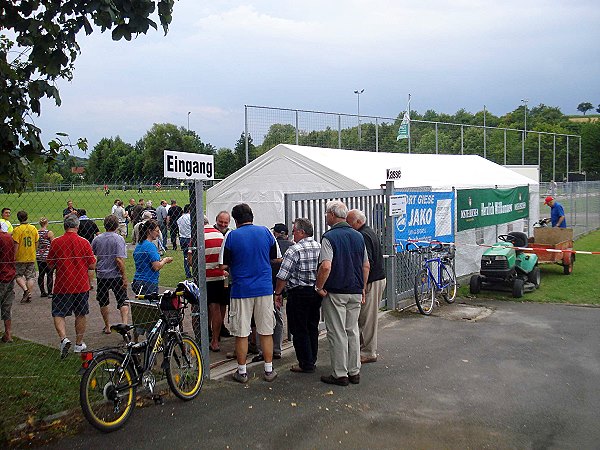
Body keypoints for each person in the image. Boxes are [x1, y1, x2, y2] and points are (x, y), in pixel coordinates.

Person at [219, 203, 281, 383]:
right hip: (264, 288)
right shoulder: (266, 232)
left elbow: (223, 264)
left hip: (241, 289)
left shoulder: (231, 235)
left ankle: (242, 371)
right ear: (251, 216)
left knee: (242, 332)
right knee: (266, 330)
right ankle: (269, 369)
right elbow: (277, 257)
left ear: (235, 220)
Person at [315, 200, 369, 386]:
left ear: (331, 215)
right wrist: (362, 288)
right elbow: (365, 265)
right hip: (355, 289)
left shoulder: (329, 237)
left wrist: (319, 287)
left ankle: (340, 374)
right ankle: (354, 371)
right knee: (352, 330)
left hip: (336, 291)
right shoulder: (358, 236)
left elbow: (326, 265)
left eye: (326, 214)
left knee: (337, 332)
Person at [274, 218, 321, 373]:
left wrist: (278, 293)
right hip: (314, 292)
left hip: (298, 293)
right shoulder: (318, 246)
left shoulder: (294, 250)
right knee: (312, 326)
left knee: (298, 328)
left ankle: (305, 363)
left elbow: (283, 275)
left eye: (294, 230)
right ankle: (312, 358)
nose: (292, 233)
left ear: (301, 232)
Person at [47, 214, 96, 358]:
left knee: (58, 312)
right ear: (77, 226)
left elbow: (50, 264)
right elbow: (92, 265)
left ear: (64, 226)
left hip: (62, 284)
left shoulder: (56, 242)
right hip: (81, 284)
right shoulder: (84, 242)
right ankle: (79, 343)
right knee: (80, 313)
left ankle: (63, 338)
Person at [346, 209, 386, 364]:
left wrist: (362, 286)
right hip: (376, 279)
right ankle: (366, 349)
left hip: (371, 281)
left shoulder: (362, 235)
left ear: (358, 222)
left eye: (349, 222)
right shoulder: (369, 232)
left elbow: (366, 263)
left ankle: (368, 352)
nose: (348, 225)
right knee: (366, 317)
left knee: (367, 319)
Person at [253, 223, 293, 362]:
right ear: (287, 234)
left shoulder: (269, 244)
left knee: (261, 318)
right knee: (278, 317)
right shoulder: (292, 246)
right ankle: (277, 348)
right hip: (281, 288)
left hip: (265, 285)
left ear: (275, 233)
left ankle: (261, 350)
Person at [92, 215, 129, 333]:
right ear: (116, 225)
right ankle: (124, 324)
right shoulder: (119, 239)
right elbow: (119, 259)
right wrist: (124, 276)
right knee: (122, 300)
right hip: (116, 275)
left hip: (102, 274)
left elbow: (94, 256)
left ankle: (107, 326)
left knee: (103, 301)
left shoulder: (97, 239)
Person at [199, 215, 228, 352]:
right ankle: (215, 340)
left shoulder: (199, 235)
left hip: (205, 277)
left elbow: (191, 259)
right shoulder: (221, 236)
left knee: (204, 308)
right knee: (217, 307)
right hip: (220, 277)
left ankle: (204, 336)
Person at [132, 220, 173, 296]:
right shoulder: (150, 246)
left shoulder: (139, 245)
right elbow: (156, 267)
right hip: (148, 282)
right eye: (157, 231)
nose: (158, 234)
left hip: (138, 280)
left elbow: (145, 261)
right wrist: (165, 260)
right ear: (150, 231)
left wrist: (160, 260)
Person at [12, 210, 39, 304]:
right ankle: (29, 293)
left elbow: (16, 244)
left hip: (20, 256)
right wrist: (34, 250)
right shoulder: (33, 228)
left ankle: (25, 290)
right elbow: (36, 242)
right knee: (30, 276)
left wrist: (14, 256)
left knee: (18, 275)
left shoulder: (17, 230)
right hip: (31, 255)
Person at [0, 222, 16, 343]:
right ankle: (8, 334)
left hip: (2, 275)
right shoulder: (9, 237)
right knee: (7, 305)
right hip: (10, 273)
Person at [36, 217, 54, 297]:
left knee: (41, 274)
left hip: (39, 254)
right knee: (49, 274)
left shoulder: (37, 232)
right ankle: (50, 292)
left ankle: (42, 292)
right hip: (48, 255)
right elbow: (53, 243)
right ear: (47, 223)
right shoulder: (49, 233)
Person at [177, 204, 192, 279]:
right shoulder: (190, 217)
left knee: (185, 256)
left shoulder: (180, 218)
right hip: (190, 238)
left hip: (182, 238)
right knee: (194, 255)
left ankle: (187, 273)